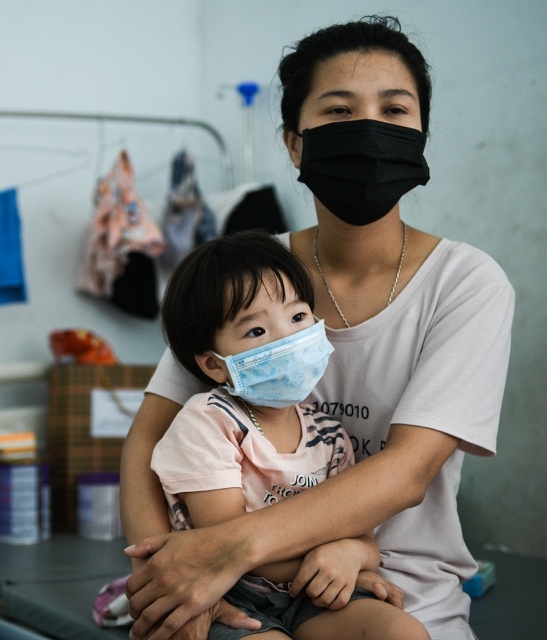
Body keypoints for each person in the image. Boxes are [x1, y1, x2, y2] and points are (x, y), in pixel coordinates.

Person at [120, 15, 515, 640]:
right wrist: (170, 583)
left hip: (387, 583)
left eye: (394, 110)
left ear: (420, 136)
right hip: (228, 587)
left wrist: (220, 552)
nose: (368, 130)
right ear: (294, 142)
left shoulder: (465, 283)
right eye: (337, 112)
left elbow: (408, 471)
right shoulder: (246, 275)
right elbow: (148, 440)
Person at [152, 230, 430, 640]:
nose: (288, 338)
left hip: (311, 590)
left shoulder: (330, 436)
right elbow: (226, 546)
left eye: (298, 317)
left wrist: (351, 554)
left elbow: (363, 537)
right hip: (226, 593)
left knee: (401, 633)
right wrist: (324, 559)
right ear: (214, 365)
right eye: (256, 332)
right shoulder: (206, 423)